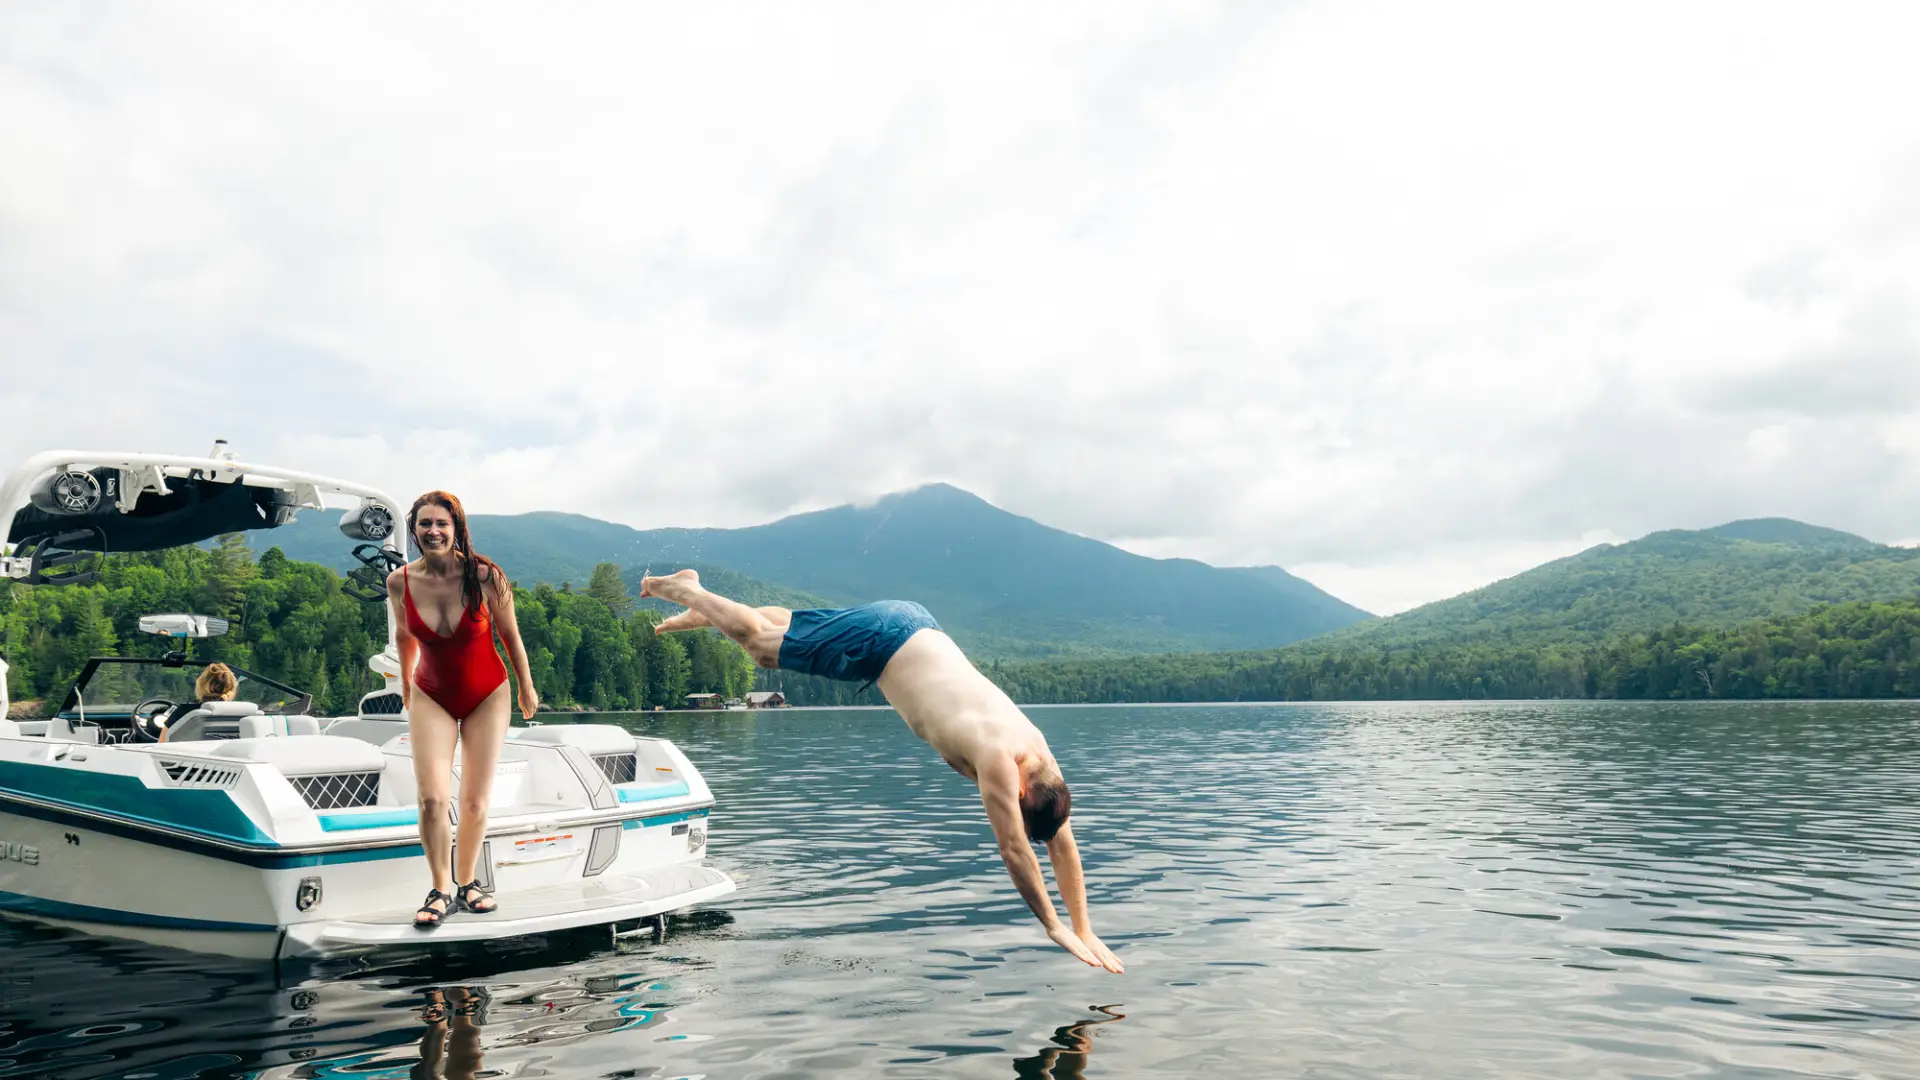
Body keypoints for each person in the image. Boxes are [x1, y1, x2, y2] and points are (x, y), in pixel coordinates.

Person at [639, 569, 1124, 974]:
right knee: (763, 648)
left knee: (788, 627)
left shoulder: (1042, 763)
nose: (1013, 813)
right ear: (1021, 791)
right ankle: (687, 588)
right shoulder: (1002, 760)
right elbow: (1014, 848)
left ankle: (710, 611)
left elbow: (1060, 839)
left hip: (910, 629)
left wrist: (1084, 925)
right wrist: (1054, 926)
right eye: (1017, 809)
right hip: (886, 643)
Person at [386, 491, 538, 929]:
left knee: (473, 801)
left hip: (487, 693)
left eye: (441, 523)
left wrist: (526, 687)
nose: (433, 531)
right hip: (430, 692)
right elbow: (403, 637)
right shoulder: (400, 582)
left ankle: (468, 882)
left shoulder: (485, 576)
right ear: (414, 530)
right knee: (432, 799)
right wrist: (405, 685)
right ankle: (440, 890)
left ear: (456, 529)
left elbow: (511, 636)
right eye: (424, 524)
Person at [156, 662, 238, 742]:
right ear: (232, 689)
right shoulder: (239, 714)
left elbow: (161, 745)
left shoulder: (184, 712)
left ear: (200, 684)